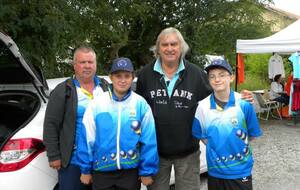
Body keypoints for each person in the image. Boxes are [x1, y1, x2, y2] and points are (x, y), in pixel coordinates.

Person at [136, 27, 253, 190]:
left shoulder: (196, 74)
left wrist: (242, 98)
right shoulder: (145, 75)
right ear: (158, 48)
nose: (169, 48)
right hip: (156, 154)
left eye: (174, 44)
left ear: (181, 47)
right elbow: (137, 111)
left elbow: (218, 96)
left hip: (188, 153)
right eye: (165, 45)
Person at [79, 57, 159, 190]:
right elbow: (87, 138)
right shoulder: (97, 103)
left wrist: (146, 171)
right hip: (102, 171)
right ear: (111, 77)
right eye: (118, 76)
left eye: (127, 76)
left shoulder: (141, 104)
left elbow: (149, 140)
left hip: (129, 172)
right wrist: (85, 169)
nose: (122, 80)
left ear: (132, 77)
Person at [43, 46, 109, 190]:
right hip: (73, 161)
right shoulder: (63, 90)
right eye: (82, 62)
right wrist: (53, 155)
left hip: (102, 160)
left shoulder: (105, 88)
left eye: (90, 62)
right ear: (74, 66)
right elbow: (50, 124)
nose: (87, 66)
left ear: (96, 64)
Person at [192, 59, 262, 190]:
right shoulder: (202, 106)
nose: (217, 79)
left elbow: (251, 135)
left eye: (222, 75)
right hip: (215, 172)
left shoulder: (244, 103)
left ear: (231, 77)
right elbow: (202, 135)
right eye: (212, 76)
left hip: (240, 171)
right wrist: (217, 145)